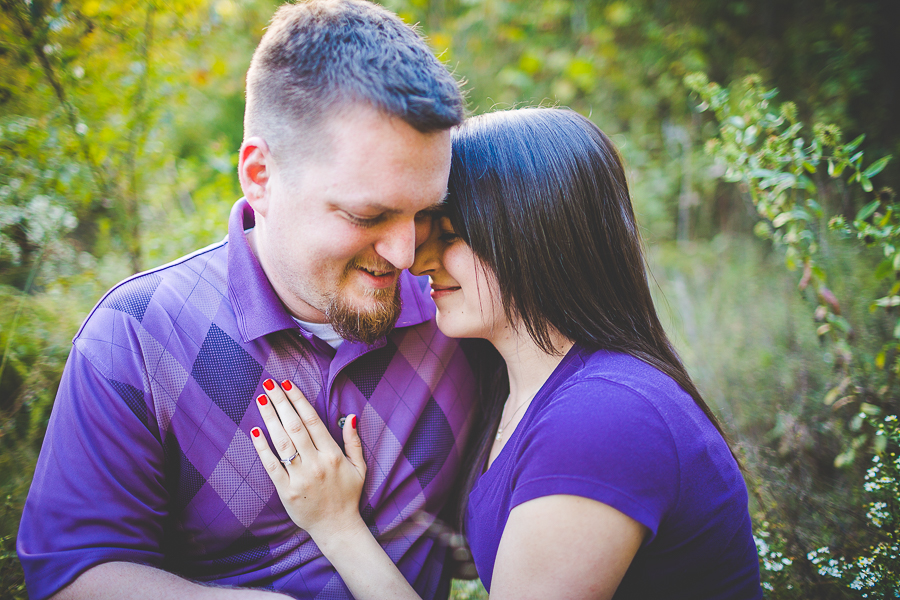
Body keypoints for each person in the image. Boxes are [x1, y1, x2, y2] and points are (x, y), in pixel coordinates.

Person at [17, 1, 481, 598]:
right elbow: (71, 571)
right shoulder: (135, 334)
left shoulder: (462, 312)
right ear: (259, 175)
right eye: (369, 214)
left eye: (426, 213)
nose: (402, 253)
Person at [249, 107, 764, 599]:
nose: (417, 258)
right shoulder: (517, 386)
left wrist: (338, 528)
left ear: (531, 236)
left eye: (448, 233)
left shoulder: (601, 420)